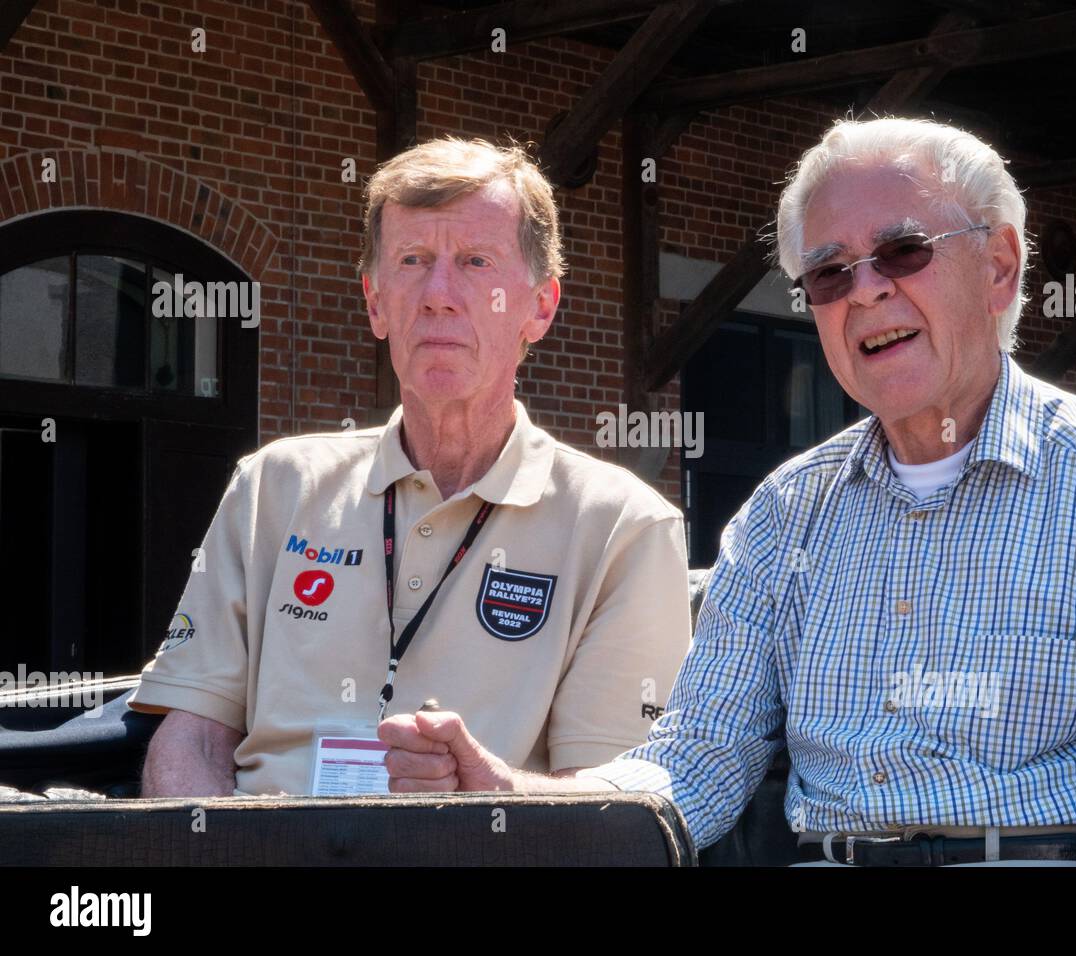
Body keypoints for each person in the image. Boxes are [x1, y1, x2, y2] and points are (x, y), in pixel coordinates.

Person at [381, 118, 1076, 867]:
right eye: (831, 273)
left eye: (903, 251)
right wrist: (515, 796)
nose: (867, 290)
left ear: (998, 267)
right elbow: (693, 767)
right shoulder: (783, 513)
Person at [129, 137, 691, 797]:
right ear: (375, 302)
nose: (438, 294)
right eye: (413, 260)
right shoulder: (273, 488)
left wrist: (488, 790)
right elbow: (190, 738)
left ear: (540, 307)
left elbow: (618, 802)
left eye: (476, 261)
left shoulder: (625, 527)